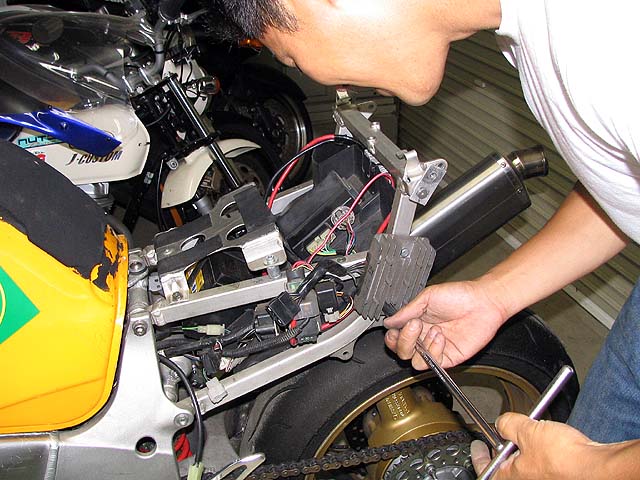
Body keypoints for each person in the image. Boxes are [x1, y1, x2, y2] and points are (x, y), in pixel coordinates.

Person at [213, 0, 640, 477]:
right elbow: (623, 191)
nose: (316, 77)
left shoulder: (606, 47)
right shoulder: (542, 35)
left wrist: (596, 470)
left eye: (289, 56)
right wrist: (495, 296)